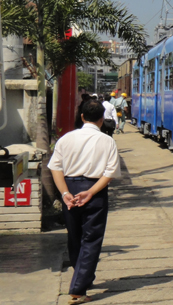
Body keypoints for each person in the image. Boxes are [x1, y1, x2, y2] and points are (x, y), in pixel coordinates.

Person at [48, 100, 121, 304]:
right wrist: (90, 192)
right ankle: (79, 289)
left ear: (81, 117)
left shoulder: (66, 138)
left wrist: (64, 193)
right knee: (92, 239)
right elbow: (110, 173)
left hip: (69, 190)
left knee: (75, 237)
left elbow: (55, 168)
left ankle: (82, 277)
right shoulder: (107, 141)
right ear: (101, 119)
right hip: (95, 192)